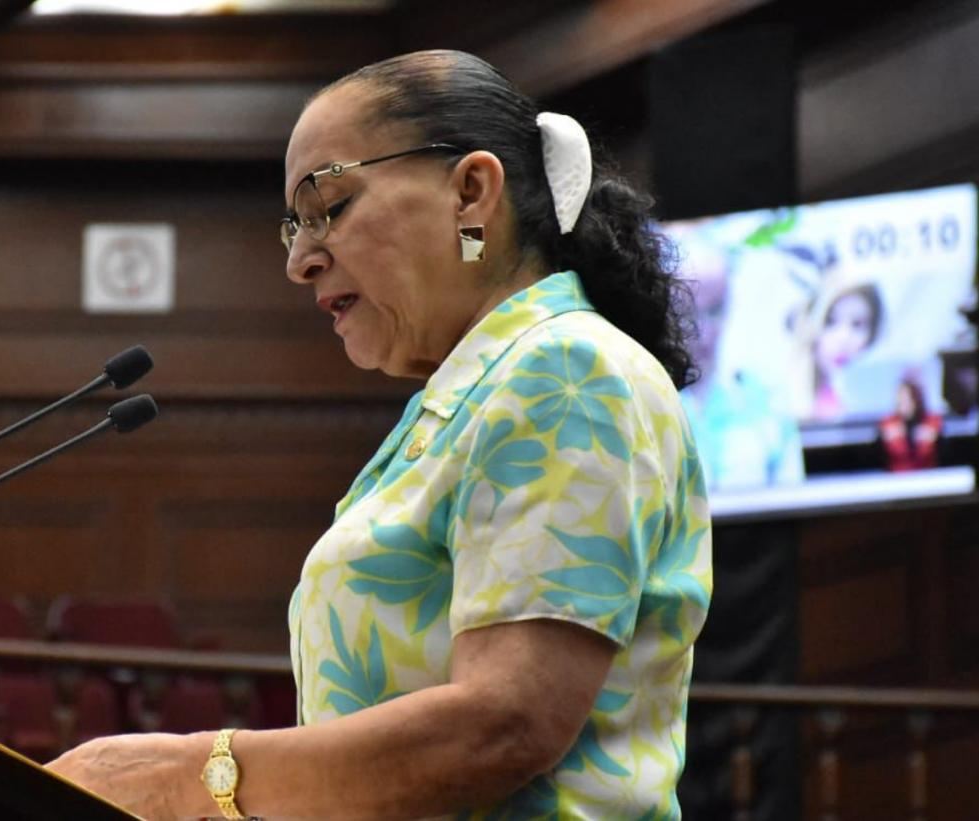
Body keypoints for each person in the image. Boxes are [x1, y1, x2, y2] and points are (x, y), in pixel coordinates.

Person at [48, 49, 712, 819]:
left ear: (471, 192)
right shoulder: (467, 397)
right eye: (291, 227)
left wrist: (188, 774)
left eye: (328, 205)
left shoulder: (563, 367)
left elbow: (507, 722)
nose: (300, 259)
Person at [676, 228, 804, 490]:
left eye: (714, 310)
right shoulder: (644, 403)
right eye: (687, 313)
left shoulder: (768, 401)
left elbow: (795, 509)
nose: (703, 332)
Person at [794, 277, 884, 421]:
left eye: (857, 324)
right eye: (830, 322)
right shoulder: (789, 396)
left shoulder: (879, 396)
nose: (844, 338)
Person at [878, 377, 945, 471]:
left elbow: (940, 454)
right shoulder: (887, 424)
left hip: (928, 476)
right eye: (901, 399)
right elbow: (881, 457)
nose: (904, 404)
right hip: (896, 478)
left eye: (908, 399)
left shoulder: (932, 422)